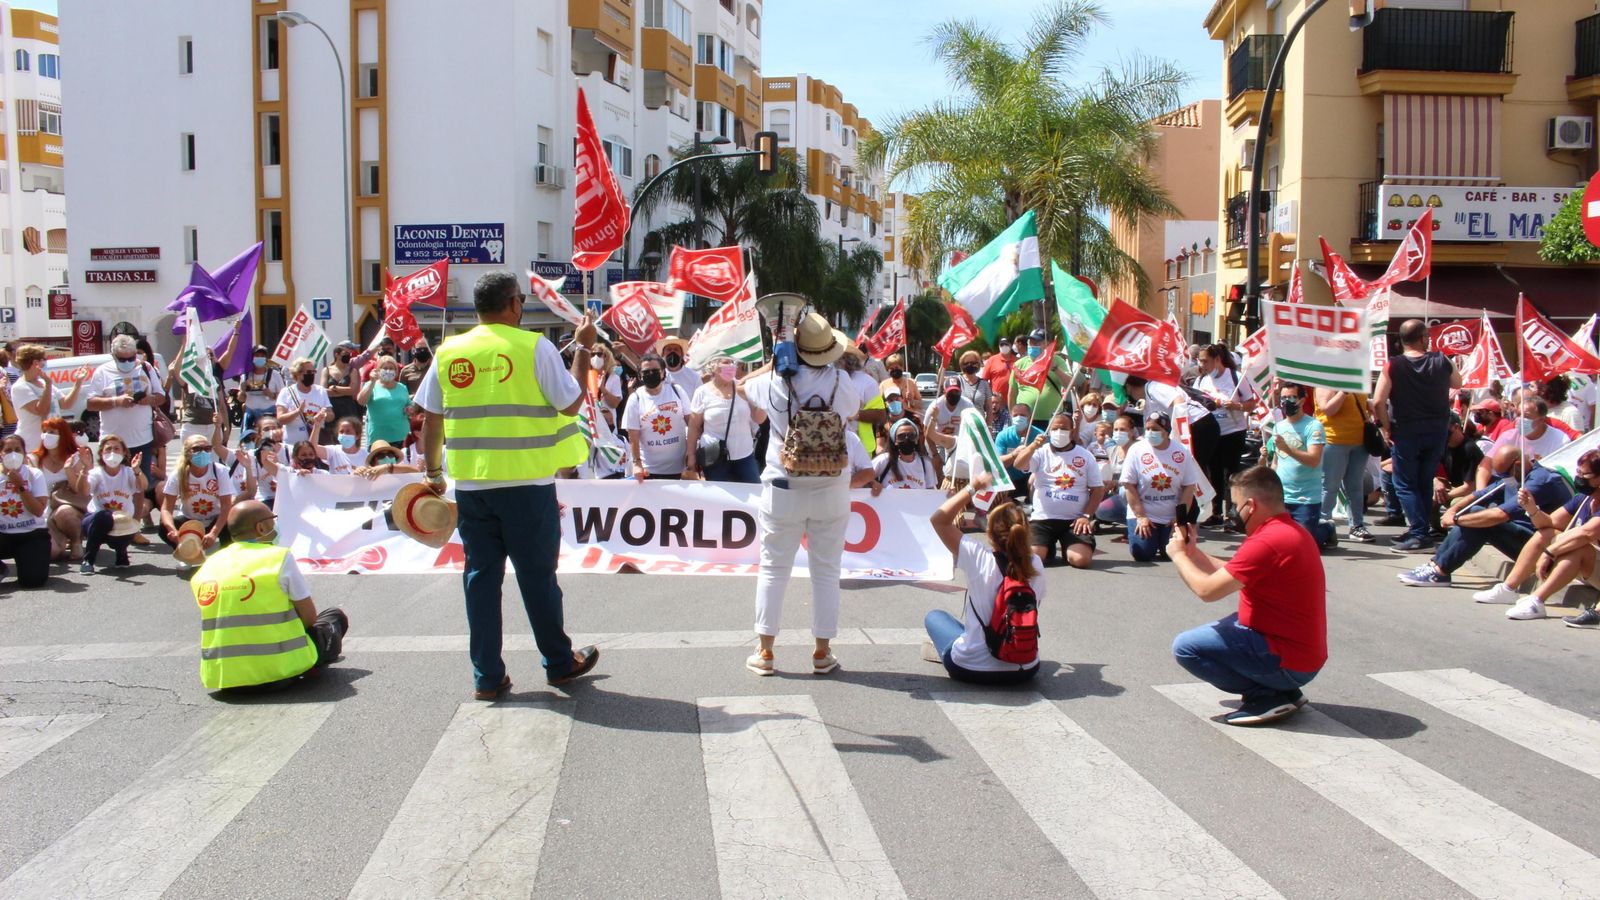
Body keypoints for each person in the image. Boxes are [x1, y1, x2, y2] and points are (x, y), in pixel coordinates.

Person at [416, 270, 600, 697]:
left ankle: (487, 677)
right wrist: (584, 350)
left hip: (473, 488)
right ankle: (558, 663)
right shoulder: (535, 346)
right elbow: (571, 402)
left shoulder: (449, 351)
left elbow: (432, 416)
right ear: (515, 304)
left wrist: (432, 473)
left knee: (480, 581)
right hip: (527, 486)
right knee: (537, 578)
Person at [739, 311, 862, 676]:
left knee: (774, 569)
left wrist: (776, 361)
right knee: (826, 572)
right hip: (831, 487)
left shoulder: (775, 381)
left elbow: (743, 385)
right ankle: (822, 653)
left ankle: (765, 653)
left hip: (783, 485)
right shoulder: (842, 382)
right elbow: (852, 411)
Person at [1168, 466, 1326, 726]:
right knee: (1222, 627)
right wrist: (1194, 553)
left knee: (1186, 647)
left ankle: (1265, 695)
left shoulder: (1267, 542)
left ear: (1250, 505)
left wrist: (1179, 556)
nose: (1233, 512)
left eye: (1236, 504)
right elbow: (1233, 572)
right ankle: (1281, 690)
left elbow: (1207, 591)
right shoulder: (1287, 531)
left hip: (1289, 658)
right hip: (1298, 652)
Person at [190, 500, 349, 691]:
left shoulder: (209, 565)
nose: (276, 525)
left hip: (224, 678)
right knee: (334, 617)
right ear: (261, 527)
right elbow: (309, 618)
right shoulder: (278, 558)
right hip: (279, 671)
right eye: (273, 520)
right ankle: (309, 663)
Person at [925, 471, 1043, 683]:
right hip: (1024, 669)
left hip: (970, 667)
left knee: (935, 617)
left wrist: (973, 487)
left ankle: (956, 647)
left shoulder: (978, 555)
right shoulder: (1035, 563)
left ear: (990, 534)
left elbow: (939, 520)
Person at [1397, 444, 1571, 588]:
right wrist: (1453, 510)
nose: (1503, 478)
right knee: (1475, 511)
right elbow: (1481, 494)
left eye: (1504, 473)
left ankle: (1440, 570)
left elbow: (1499, 515)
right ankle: (1436, 565)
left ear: (1517, 464)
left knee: (1480, 518)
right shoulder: (1515, 476)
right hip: (1519, 536)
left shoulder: (1540, 481)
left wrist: (1458, 520)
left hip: (1538, 545)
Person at [1472, 451, 1599, 621]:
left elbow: (1587, 533)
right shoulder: (1584, 498)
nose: (1579, 478)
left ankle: (1537, 600)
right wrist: (1532, 508)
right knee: (1545, 534)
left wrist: (1549, 552)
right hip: (1590, 566)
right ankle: (1508, 589)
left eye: (1585, 474)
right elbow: (1550, 523)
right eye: (1578, 472)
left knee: (1579, 547)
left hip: (1591, 563)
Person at [1374, 319, 1460, 552]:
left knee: (1404, 483)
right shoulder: (1442, 360)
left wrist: (1384, 427)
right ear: (1423, 338)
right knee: (1422, 481)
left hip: (1406, 431)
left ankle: (1420, 532)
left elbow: (1378, 400)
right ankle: (1419, 530)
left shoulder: (1393, 365)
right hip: (1436, 431)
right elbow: (1458, 382)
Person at [86, 334, 167, 524]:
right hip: (112, 441)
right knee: (112, 484)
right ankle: (111, 522)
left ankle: (135, 524)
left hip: (142, 438)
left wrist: (149, 400)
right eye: (123, 359)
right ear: (113, 356)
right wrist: (116, 401)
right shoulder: (102, 372)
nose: (129, 362)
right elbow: (91, 403)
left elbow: (161, 396)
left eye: (131, 358)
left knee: (139, 485)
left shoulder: (145, 368)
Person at [1012, 412, 1105, 568]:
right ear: (1049, 431)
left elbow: (1098, 489)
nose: (1059, 432)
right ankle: (1047, 548)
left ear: (1072, 429)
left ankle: (1069, 546)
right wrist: (1033, 446)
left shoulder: (1086, 456)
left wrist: (1086, 516)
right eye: (1055, 428)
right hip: (1043, 519)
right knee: (1031, 561)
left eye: (1064, 428)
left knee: (1080, 560)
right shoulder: (1041, 452)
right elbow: (1018, 464)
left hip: (1074, 520)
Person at [1121, 412, 1199, 562]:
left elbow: (1188, 487)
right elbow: (1128, 485)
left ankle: (1163, 538)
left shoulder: (1181, 451)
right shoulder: (1136, 449)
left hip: (1170, 515)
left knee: (1174, 553)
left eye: (1155, 429)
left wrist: (1179, 519)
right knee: (1143, 553)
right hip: (1144, 512)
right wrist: (1141, 517)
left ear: (1166, 431)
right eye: (1148, 428)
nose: (1150, 433)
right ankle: (1145, 538)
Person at [1264, 383, 1333, 549]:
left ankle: (1326, 528)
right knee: (1280, 541)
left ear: (1302, 400)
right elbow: (1276, 462)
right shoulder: (1279, 426)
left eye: (1292, 397)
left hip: (1305, 497)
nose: (1287, 402)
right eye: (1284, 398)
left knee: (1302, 544)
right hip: (1282, 495)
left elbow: (1314, 460)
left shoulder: (1313, 426)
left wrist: (1288, 449)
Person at [686, 356, 765, 483]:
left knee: (754, 496)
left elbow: (759, 419)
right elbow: (694, 426)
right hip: (715, 458)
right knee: (720, 500)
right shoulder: (702, 392)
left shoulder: (744, 388)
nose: (731, 366)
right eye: (725, 363)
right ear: (713, 368)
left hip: (744, 455)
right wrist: (691, 456)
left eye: (732, 363)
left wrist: (763, 400)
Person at [160, 434, 237, 561]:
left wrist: (214, 533)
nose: (203, 452)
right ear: (187, 453)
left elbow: (226, 506)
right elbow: (166, 509)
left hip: (215, 519)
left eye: (207, 448)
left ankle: (224, 556)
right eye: (196, 449)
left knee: (231, 523)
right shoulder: (178, 474)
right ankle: (186, 552)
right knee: (163, 528)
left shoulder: (220, 471)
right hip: (190, 521)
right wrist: (172, 530)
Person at [1312, 384, 1373, 543]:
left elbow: (1364, 406)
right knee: (1330, 486)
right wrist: (1343, 391)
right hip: (1333, 441)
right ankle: (1322, 524)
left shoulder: (1358, 381)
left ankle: (1357, 526)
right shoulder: (1324, 383)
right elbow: (1328, 410)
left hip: (1359, 441)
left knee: (1355, 487)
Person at [80, 434, 145, 574]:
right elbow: (84, 490)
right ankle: (88, 560)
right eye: (108, 449)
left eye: (116, 449)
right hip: (96, 521)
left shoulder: (128, 472)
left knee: (123, 521)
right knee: (104, 516)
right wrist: (84, 469)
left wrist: (137, 470)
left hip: (122, 522)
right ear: (101, 453)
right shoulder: (96, 473)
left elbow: (142, 486)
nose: (112, 453)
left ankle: (121, 553)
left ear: (124, 453)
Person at [623, 352, 693, 481]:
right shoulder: (636, 399)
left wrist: (692, 455)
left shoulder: (677, 391)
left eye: (655, 370)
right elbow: (633, 435)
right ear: (640, 376)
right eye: (646, 372)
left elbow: (691, 423)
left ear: (663, 373)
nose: (651, 374)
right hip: (650, 470)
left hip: (680, 468)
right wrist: (637, 463)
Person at [1476, 398, 1569, 488]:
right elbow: (1485, 466)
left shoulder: (1560, 440)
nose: (1520, 419)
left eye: (1526, 416)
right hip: (1510, 487)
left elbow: (1562, 476)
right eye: (1518, 414)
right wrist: (1481, 491)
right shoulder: (1508, 436)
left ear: (1542, 419)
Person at [9, 344, 86, 450]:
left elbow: (66, 403)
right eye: (43, 359)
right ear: (35, 363)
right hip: (33, 444)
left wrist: (78, 382)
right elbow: (41, 410)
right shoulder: (20, 387)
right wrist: (48, 385)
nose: (45, 363)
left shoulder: (42, 383)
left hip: (52, 442)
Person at [34, 417, 90, 561]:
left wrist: (69, 471)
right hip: (42, 511)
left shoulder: (76, 457)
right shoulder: (34, 459)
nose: (46, 435)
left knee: (65, 513)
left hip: (67, 508)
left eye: (52, 432)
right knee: (49, 554)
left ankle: (76, 541)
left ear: (63, 435)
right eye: (44, 431)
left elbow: (80, 491)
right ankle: (59, 541)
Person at [0, 433, 50, 587]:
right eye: (8, 450)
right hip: (3, 535)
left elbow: (38, 511)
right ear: (1, 455)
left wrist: (20, 485)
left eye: (17, 449)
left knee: (33, 581)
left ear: (24, 454)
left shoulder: (34, 474)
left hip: (31, 535)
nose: (13, 454)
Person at [1009, 330, 1073, 430]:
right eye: (1030, 342)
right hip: (1025, 419)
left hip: (1051, 419)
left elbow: (1070, 385)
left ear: (1047, 344)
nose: (1032, 345)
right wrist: (1012, 416)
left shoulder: (1057, 361)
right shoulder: (1019, 364)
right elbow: (1012, 393)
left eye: (1036, 342)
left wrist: (1055, 368)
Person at [275, 356, 333, 447]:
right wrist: (298, 411)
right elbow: (280, 419)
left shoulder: (321, 391)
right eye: (309, 372)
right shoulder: (286, 392)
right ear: (298, 374)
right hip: (293, 445)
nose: (312, 375)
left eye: (313, 372)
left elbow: (331, 415)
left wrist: (324, 414)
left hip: (316, 444)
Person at [358, 354, 412, 446]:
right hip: (378, 438)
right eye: (385, 368)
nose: (388, 370)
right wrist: (372, 382)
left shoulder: (402, 387)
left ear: (396, 371)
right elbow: (361, 401)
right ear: (378, 370)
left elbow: (409, 406)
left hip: (402, 436)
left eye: (391, 368)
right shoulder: (371, 385)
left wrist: (410, 409)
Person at [873, 418, 941, 489]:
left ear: (916, 440)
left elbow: (930, 491)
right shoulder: (884, 460)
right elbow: (864, 475)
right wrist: (873, 483)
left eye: (911, 436)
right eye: (901, 436)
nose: (906, 439)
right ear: (895, 441)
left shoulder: (925, 463)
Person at [1095, 415, 1137, 527]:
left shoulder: (1139, 450)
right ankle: (1131, 524)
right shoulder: (1112, 449)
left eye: (1123, 429)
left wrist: (1116, 483)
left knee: (1124, 491)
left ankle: (1137, 524)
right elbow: (1106, 440)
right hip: (1120, 495)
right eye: (1116, 429)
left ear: (1132, 432)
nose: (1118, 432)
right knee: (1100, 511)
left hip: (1137, 493)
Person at [923, 375, 974, 464]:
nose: (954, 395)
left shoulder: (968, 405)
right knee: (938, 466)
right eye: (951, 392)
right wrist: (935, 454)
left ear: (961, 392)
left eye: (956, 392)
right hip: (939, 443)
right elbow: (926, 432)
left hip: (959, 443)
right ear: (944, 392)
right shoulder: (935, 406)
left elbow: (973, 428)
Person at [995, 403, 1043, 495]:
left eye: (1023, 415)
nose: (1019, 418)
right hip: (1009, 480)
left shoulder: (1040, 436)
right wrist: (1013, 455)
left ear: (1030, 417)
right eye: (1015, 415)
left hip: (1030, 479)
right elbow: (998, 463)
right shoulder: (1003, 435)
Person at [323, 340, 364, 443]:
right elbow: (323, 390)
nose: (348, 356)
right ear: (337, 355)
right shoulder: (327, 370)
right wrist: (344, 390)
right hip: (332, 407)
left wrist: (335, 388)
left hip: (348, 408)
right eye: (345, 354)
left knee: (350, 435)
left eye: (349, 354)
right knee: (333, 437)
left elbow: (353, 390)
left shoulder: (352, 370)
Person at [237, 346, 284, 433]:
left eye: (262, 356)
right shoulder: (245, 376)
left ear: (266, 358)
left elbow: (283, 397)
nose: (259, 358)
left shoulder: (275, 374)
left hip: (270, 414)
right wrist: (243, 390)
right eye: (257, 355)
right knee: (248, 440)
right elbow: (241, 399)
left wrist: (272, 395)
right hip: (251, 414)